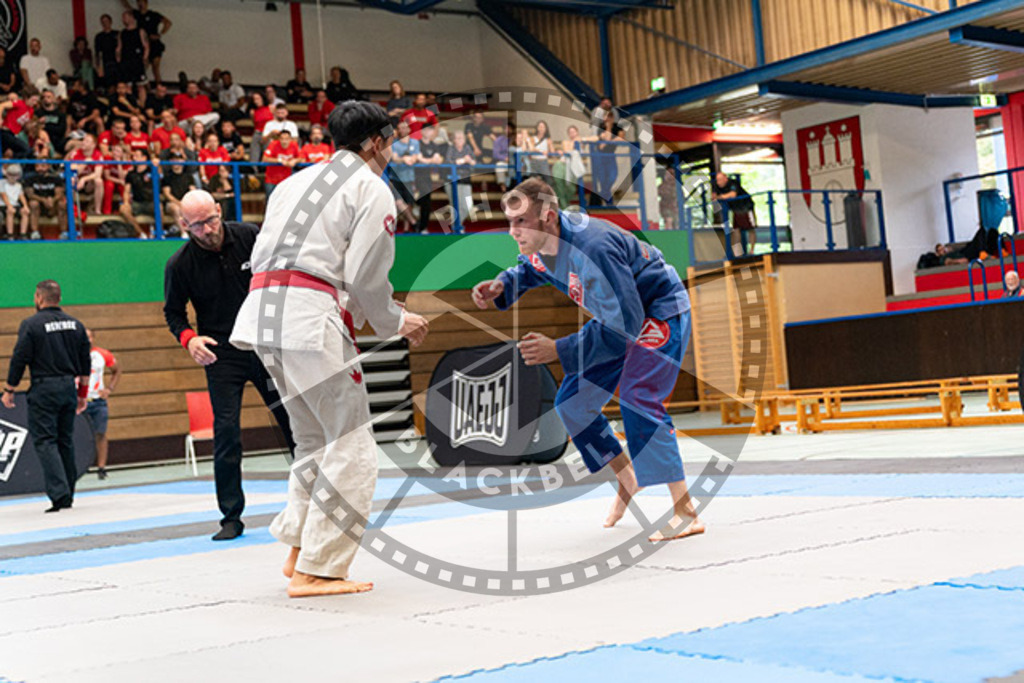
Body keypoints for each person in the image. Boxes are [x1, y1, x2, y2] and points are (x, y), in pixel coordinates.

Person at [229, 100, 429, 597]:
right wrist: (396, 321)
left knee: (314, 438)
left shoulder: (291, 183)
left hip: (261, 312)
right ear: (376, 142)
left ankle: (299, 545)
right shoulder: (369, 187)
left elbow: (267, 254)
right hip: (306, 317)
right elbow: (365, 273)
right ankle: (319, 567)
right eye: (390, 142)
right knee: (352, 443)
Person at [471, 177, 702, 542]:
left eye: (521, 222)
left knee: (638, 395)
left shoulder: (594, 248)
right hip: (618, 319)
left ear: (548, 217)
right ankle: (628, 478)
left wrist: (559, 350)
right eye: (510, 222)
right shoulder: (546, 240)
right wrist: (504, 283)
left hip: (657, 311)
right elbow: (531, 267)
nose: (513, 231)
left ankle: (685, 510)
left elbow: (628, 322)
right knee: (573, 405)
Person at [165, 190, 296, 540]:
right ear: (184, 226)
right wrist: (189, 339)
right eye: (197, 225)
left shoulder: (252, 237)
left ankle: (311, 499)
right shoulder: (180, 265)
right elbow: (174, 313)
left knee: (292, 420)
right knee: (226, 432)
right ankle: (231, 516)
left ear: (219, 210)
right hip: (222, 354)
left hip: (264, 345)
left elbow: (282, 275)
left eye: (211, 219)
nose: (207, 229)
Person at [3, 280, 91, 513]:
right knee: (65, 441)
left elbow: (19, 358)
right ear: (59, 299)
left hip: (44, 388)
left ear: (39, 298)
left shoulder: (31, 324)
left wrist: (10, 388)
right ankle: (68, 493)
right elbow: (85, 364)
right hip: (68, 387)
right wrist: (82, 394)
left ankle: (59, 494)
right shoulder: (76, 325)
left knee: (45, 441)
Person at [84, 328, 121, 480]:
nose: (86, 340)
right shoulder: (71, 354)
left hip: (98, 401)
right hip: (80, 402)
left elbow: (117, 370)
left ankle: (101, 468)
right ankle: (80, 465)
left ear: (93, 338)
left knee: (100, 434)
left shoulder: (101, 354)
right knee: (79, 435)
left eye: (89, 337)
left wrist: (109, 388)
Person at [124, 0, 171, 84]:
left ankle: (159, 88)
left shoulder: (154, 15)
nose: (140, 4)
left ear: (146, 3)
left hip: (154, 44)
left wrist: (160, 34)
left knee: (155, 68)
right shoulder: (136, 14)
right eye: (138, 2)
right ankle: (146, 89)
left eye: (141, 2)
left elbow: (168, 23)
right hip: (142, 45)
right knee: (142, 69)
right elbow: (127, 6)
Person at [711, 171, 756, 256]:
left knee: (751, 228)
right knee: (736, 229)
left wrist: (720, 197)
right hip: (735, 209)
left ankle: (752, 250)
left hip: (746, 206)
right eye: (717, 180)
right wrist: (717, 197)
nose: (718, 182)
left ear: (725, 178)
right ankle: (738, 253)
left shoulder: (733, 183)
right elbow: (713, 197)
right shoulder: (716, 185)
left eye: (720, 180)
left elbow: (733, 194)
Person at [389, 120, 419, 233]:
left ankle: (407, 228)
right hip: (396, 177)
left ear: (409, 129)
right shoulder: (395, 144)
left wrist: (411, 159)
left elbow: (415, 157)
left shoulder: (415, 142)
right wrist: (404, 159)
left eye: (405, 127)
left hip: (410, 177)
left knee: (408, 203)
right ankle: (413, 222)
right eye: (400, 128)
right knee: (398, 202)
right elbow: (395, 158)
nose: (403, 130)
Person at [415, 124, 446, 233]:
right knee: (426, 199)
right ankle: (422, 226)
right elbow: (419, 159)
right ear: (422, 131)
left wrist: (428, 160)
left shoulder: (434, 145)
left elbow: (439, 160)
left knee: (426, 200)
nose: (428, 132)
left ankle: (422, 226)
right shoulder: (417, 144)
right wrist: (431, 160)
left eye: (430, 130)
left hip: (427, 176)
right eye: (426, 130)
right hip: (416, 175)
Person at [26, 160, 67, 240]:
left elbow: (59, 194)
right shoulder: (30, 178)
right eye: (37, 166)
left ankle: (64, 233)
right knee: (33, 203)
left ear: (48, 166)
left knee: (62, 204)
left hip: (53, 204)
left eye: (43, 166)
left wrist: (52, 200)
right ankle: (35, 233)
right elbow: (30, 195)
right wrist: (43, 200)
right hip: (39, 204)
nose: (40, 168)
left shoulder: (55, 178)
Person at [68, 133, 105, 216]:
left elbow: (98, 174)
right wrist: (85, 163)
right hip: (77, 182)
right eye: (83, 140)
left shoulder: (98, 155)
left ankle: (97, 210)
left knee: (99, 181)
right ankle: (72, 209)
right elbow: (74, 172)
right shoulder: (75, 153)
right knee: (71, 180)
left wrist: (84, 179)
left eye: (87, 141)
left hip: (89, 183)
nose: (83, 142)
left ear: (93, 145)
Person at [445, 130, 476, 224]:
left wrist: (470, 161)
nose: (460, 140)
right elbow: (448, 162)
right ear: (453, 140)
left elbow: (474, 162)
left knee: (467, 207)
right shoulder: (451, 148)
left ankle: (457, 224)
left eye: (462, 138)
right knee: (455, 205)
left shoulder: (467, 148)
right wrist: (461, 161)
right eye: (457, 138)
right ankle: (457, 227)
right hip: (452, 181)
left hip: (465, 181)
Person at [261, 129, 300, 197]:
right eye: (282, 139)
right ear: (279, 139)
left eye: (287, 139)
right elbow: (264, 159)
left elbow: (302, 158)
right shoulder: (273, 144)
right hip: (271, 179)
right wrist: (280, 160)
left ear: (290, 139)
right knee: (270, 201)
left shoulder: (294, 145)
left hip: (286, 180)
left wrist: (295, 160)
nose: (284, 141)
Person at [160, 152, 195, 225]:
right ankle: (183, 233)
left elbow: (193, 191)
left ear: (183, 161)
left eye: (178, 159)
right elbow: (167, 194)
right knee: (176, 209)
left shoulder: (188, 176)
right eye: (174, 160)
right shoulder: (167, 177)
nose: (176, 162)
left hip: (185, 202)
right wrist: (179, 203)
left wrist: (185, 202)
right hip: (171, 203)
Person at [116, 10, 149, 85]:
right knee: (127, 84)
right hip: (126, 61)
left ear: (131, 17)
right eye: (123, 18)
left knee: (141, 85)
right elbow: (119, 47)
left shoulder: (140, 31)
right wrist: (118, 60)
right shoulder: (122, 33)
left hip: (137, 61)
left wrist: (145, 58)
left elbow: (146, 46)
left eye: (125, 17)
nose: (123, 20)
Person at [0, 164, 30, 240]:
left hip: (15, 205)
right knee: (10, 212)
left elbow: (21, 196)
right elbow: (3, 195)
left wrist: (25, 206)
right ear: (6, 174)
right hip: (3, 206)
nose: (12, 177)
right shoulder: (1, 182)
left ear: (19, 176)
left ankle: (23, 234)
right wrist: (9, 206)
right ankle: (10, 234)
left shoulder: (19, 185)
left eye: (15, 175)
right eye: (10, 174)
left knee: (25, 212)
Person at [94, 14, 120, 89]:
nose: (105, 23)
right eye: (103, 22)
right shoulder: (99, 36)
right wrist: (99, 67)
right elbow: (98, 53)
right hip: (106, 63)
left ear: (110, 22)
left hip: (117, 62)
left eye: (107, 21)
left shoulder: (117, 34)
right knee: (109, 85)